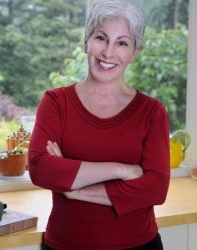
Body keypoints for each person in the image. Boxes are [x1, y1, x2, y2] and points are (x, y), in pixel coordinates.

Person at [28, 0, 170, 249]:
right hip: (64, 245)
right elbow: (41, 169)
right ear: (86, 42)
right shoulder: (56, 102)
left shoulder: (152, 112)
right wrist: (121, 170)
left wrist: (75, 189)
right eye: (101, 38)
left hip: (138, 246)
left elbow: (155, 189)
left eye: (122, 43)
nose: (108, 52)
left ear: (134, 53)